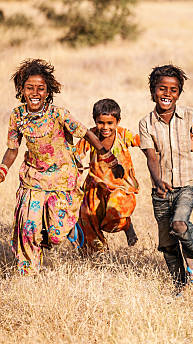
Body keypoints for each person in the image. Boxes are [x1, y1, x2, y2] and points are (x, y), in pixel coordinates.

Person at [0, 59, 124, 275]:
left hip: (62, 179)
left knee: (57, 234)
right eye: (30, 88)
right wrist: (3, 169)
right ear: (22, 89)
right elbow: (12, 149)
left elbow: (86, 133)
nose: (35, 92)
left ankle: (58, 233)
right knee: (28, 228)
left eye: (41, 88)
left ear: (48, 91)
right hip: (33, 180)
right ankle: (28, 275)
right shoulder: (17, 116)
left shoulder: (59, 114)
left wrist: (108, 157)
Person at [139, 64, 193, 288]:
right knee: (168, 244)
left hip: (185, 187)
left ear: (179, 93)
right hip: (160, 191)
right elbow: (151, 157)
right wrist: (158, 181)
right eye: (162, 89)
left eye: (173, 90)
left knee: (179, 224)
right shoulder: (145, 124)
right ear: (152, 92)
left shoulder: (188, 115)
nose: (167, 94)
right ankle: (180, 285)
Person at [74, 98, 140, 252]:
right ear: (95, 120)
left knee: (114, 213)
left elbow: (142, 141)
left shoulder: (123, 135)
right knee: (88, 217)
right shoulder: (91, 136)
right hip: (95, 186)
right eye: (100, 122)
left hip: (120, 187)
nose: (105, 127)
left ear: (117, 121)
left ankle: (126, 225)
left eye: (110, 123)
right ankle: (99, 255)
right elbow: (76, 155)